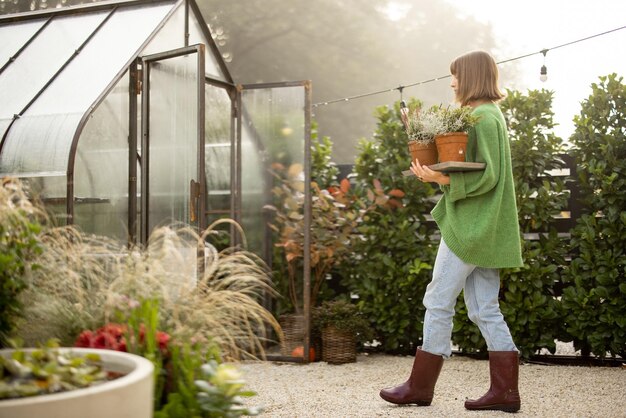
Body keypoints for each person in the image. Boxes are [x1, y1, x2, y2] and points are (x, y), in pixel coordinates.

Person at [379, 50, 523, 412]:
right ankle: (505, 392)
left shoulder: (482, 117)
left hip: (471, 228)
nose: (452, 82)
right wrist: (441, 176)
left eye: (456, 75)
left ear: (471, 77)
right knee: (485, 309)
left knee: (438, 300)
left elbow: (487, 175)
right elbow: (478, 172)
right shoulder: (491, 115)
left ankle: (420, 387)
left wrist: (439, 177)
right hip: (485, 228)